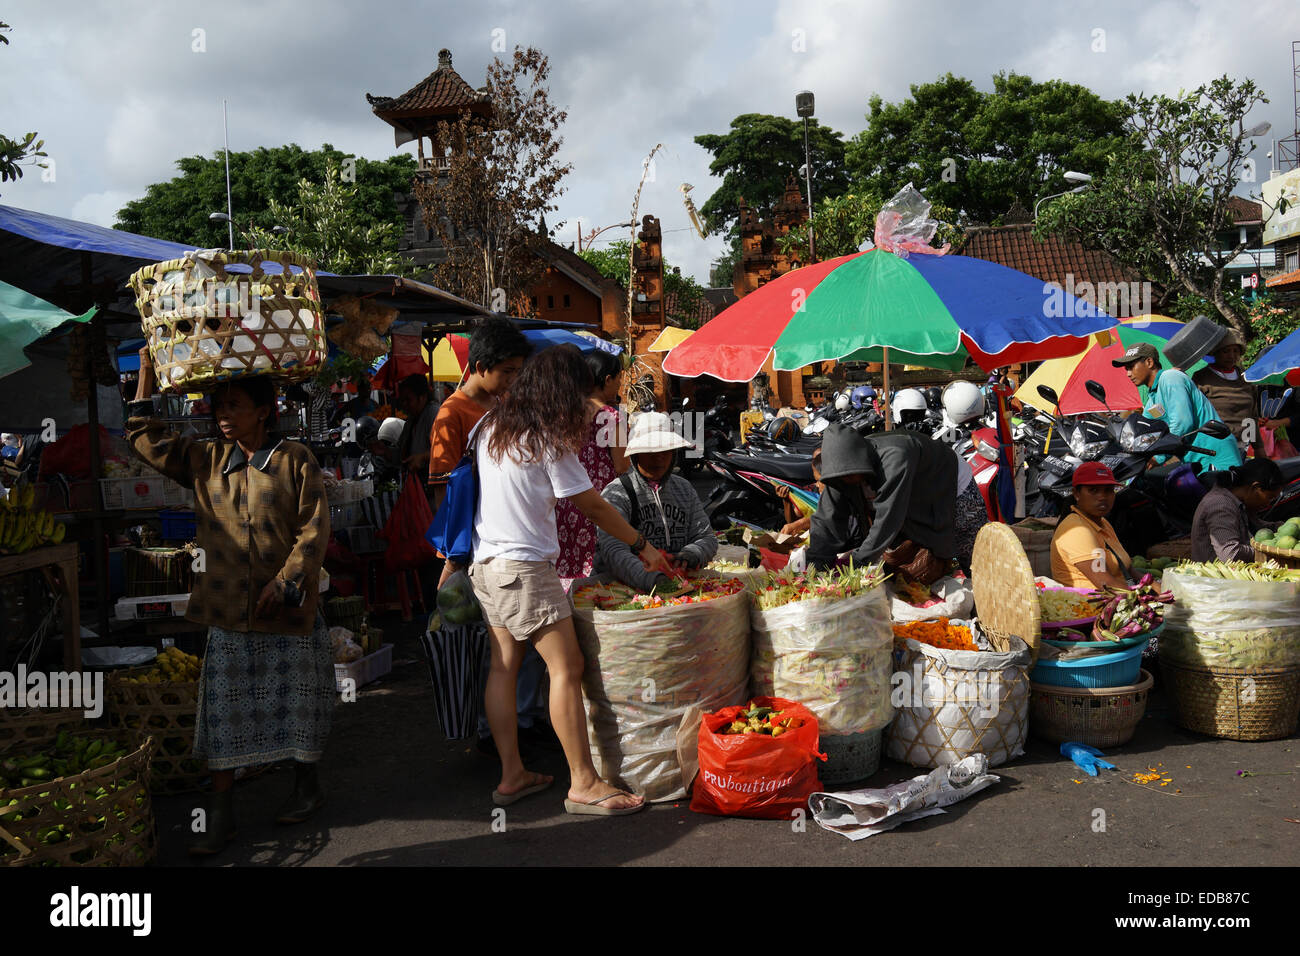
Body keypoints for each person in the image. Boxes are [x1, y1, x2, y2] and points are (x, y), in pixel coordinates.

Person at [128, 350, 333, 856]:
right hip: (225, 613)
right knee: (222, 716)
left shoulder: (294, 460)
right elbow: (144, 438)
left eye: (234, 404)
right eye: (218, 404)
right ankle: (221, 818)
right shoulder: (204, 459)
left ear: (264, 410)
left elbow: (314, 530)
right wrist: (148, 374)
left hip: (284, 610)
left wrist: (287, 581)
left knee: (297, 703)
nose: (222, 413)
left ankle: (306, 786)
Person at [467, 345, 671, 815]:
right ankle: (583, 782)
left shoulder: (491, 427)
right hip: (524, 569)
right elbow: (593, 504)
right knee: (568, 666)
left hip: (487, 565)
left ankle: (512, 774)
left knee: (503, 667)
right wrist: (642, 545)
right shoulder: (544, 437)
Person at [807, 424, 957, 571]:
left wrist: (858, 563)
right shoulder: (839, 473)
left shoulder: (895, 458)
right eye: (843, 477)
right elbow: (827, 518)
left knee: (953, 545)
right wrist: (816, 562)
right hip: (908, 490)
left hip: (945, 479)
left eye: (851, 475)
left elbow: (889, 517)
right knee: (901, 558)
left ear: (859, 461)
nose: (847, 480)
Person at [595, 412, 717, 589]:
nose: (658, 457)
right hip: (624, 589)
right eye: (650, 451)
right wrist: (652, 579)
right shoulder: (617, 493)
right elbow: (613, 550)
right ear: (636, 454)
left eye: (665, 450)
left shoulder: (684, 489)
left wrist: (691, 553)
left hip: (678, 583)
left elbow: (706, 537)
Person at [555, 349, 628, 589]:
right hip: (601, 502)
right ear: (607, 379)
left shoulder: (565, 414)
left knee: (569, 567)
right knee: (599, 573)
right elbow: (621, 466)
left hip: (567, 501)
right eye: (618, 379)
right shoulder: (611, 417)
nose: (619, 386)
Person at [1113, 341, 1242, 472]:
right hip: (1193, 460)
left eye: (1131, 367)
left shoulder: (1170, 378)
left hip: (1214, 455)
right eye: (1126, 369)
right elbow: (1144, 430)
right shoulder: (1152, 398)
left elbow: (1182, 423)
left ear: (1149, 362)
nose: (1128, 374)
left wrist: (1159, 457)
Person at [1049, 462, 1134, 590]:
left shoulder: (1102, 522)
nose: (1102, 497)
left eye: (1108, 490)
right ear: (1076, 493)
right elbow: (1106, 584)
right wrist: (1146, 600)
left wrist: (1156, 587)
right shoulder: (1077, 530)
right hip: (1090, 606)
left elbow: (1128, 569)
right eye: (1093, 490)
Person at [1190, 458, 1284, 562]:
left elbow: (1257, 526)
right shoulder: (1221, 505)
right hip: (1217, 576)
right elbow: (1230, 553)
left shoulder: (1237, 502)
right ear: (1255, 487)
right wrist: (1270, 551)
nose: (1268, 504)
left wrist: (1284, 527)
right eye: (1270, 497)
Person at [1191, 328, 1261, 458]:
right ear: (1215, 353)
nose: (1231, 356)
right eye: (1226, 351)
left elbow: (1253, 417)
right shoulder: (1202, 378)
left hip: (1242, 447)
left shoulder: (1246, 378)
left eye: (1236, 351)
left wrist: (1259, 448)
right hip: (1214, 447)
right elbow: (1194, 413)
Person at [395, 374, 440, 481]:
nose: (404, 404)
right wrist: (384, 451)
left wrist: (422, 457)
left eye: (408, 400)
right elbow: (401, 454)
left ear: (422, 397)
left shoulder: (433, 414)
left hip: (430, 486)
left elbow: (444, 451)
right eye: (402, 400)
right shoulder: (411, 420)